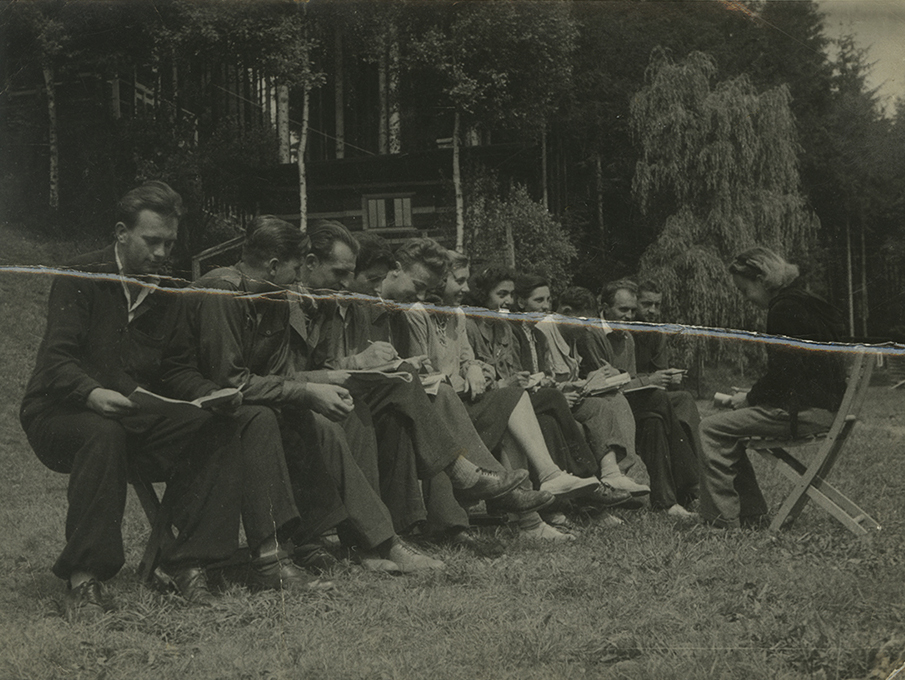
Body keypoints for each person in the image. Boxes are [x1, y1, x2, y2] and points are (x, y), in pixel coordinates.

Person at [20, 182, 301, 620]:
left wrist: (210, 394)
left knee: (237, 419)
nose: (161, 253)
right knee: (102, 431)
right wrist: (92, 393)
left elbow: (175, 369)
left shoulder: (170, 288)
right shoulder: (81, 276)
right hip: (61, 413)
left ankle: (189, 563)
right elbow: (57, 361)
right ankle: (84, 581)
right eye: (152, 241)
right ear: (121, 233)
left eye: (169, 243)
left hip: (135, 414)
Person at [190, 217, 527, 572]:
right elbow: (264, 376)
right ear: (307, 264)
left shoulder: (293, 296)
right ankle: (383, 541)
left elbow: (282, 371)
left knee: (401, 379)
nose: (347, 282)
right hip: (253, 406)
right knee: (350, 416)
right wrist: (337, 373)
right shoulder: (266, 294)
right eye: (339, 272)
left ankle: (447, 484)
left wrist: (344, 372)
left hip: (284, 395)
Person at [296, 226, 554, 552]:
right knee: (423, 393)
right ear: (395, 271)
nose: (419, 297)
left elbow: (449, 359)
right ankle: (473, 486)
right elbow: (327, 365)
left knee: (417, 399)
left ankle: (457, 511)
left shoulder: (374, 308)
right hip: (344, 397)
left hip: (383, 397)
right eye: (372, 280)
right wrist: (362, 362)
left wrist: (463, 368)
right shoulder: (348, 305)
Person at [404, 249, 597, 540]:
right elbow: (423, 372)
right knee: (511, 404)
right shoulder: (417, 317)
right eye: (459, 281)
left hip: (461, 400)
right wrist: (467, 376)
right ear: (439, 282)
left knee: (511, 404)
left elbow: (467, 359)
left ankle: (543, 489)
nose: (466, 289)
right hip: (437, 408)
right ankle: (529, 516)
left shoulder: (455, 315)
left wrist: (473, 369)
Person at [698, 247, 846, 529]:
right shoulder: (805, 302)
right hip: (826, 406)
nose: (747, 299)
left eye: (745, 291)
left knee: (711, 428)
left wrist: (749, 398)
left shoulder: (783, 310)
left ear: (761, 279)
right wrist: (753, 397)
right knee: (729, 429)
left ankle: (720, 521)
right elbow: (795, 372)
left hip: (806, 412)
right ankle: (750, 514)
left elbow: (783, 376)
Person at [464, 265, 629, 510]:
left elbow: (517, 373)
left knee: (573, 409)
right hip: (492, 402)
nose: (508, 301)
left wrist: (533, 381)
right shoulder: (473, 326)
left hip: (514, 398)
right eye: (502, 295)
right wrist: (516, 383)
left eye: (510, 295)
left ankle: (583, 488)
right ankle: (589, 480)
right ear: (483, 297)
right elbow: (484, 377)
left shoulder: (504, 328)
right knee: (553, 399)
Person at [561, 284, 699, 520]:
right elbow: (604, 385)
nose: (628, 316)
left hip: (626, 402)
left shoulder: (627, 339)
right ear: (605, 308)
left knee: (655, 420)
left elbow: (626, 380)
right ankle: (692, 482)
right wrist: (643, 380)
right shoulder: (590, 334)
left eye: (632, 311)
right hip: (605, 404)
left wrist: (632, 379)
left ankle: (666, 502)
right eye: (623, 310)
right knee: (658, 399)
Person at [515, 274, 650, 498]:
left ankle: (614, 472)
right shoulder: (544, 332)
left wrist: (588, 381)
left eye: (548, 300)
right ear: (566, 312)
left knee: (609, 402)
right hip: (551, 401)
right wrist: (563, 390)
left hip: (565, 397)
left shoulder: (574, 335)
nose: (588, 328)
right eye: (584, 321)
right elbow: (541, 376)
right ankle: (615, 476)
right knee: (602, 407)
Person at [632, 279, 705, 470]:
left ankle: (696, 469)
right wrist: (650, 378)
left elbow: (659, 373)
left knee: (683, 399)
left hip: (650, 395)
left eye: (657, 305)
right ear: (635, 303)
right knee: (682, 402)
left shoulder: (656, 333)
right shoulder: (622, 332)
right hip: (628, 396)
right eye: (646, 304)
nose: (653, 311)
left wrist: (671, 377)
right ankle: (699, 471)